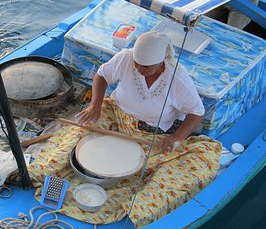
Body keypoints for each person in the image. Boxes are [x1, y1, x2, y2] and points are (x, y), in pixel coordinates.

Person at [77, 31, 205, 152]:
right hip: (116, 112)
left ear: (160, 62)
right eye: (136, 63)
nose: (138, 69)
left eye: (145, 66)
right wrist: (95, 106)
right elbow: (102, 76)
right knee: (78, 136)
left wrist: (177, 138)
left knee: (147, 162)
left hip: (151, 129)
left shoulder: (177, 80)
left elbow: (197, 112)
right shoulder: (126, 57)